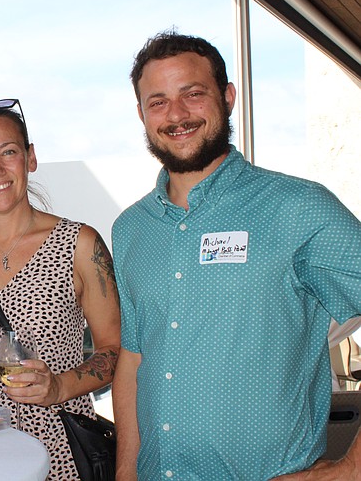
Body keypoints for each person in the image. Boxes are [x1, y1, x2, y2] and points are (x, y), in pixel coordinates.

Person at [111, 31, 361, 480]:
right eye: (159, 101)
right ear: (141, 114)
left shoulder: (298, 208)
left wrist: (349, 470)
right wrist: (126, 472)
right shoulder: (131, 229)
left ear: (227, 98)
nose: (177, 115)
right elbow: (134, 358)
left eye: (193, 94)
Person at [0, 99, 121, 480]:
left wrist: (57, 386)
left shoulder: (80, 244)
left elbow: (116, 350)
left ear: (30, 158)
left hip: (56, 445)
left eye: (8, 152)